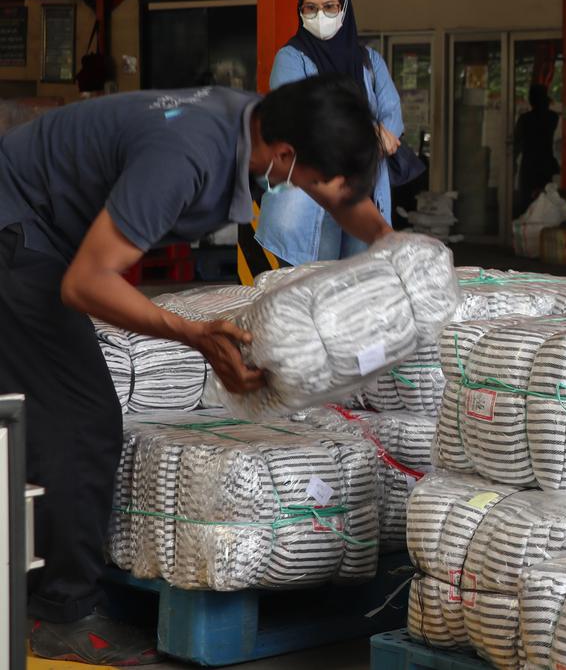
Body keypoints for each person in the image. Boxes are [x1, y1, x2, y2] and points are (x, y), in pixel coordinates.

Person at [0, 75, 385, 665]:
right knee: (82, 419)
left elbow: (341, 195)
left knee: (39, 407)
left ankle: (33, 578)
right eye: (311, 182)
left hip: (41, 223)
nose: (316, 197)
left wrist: (396, 253)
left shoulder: (254, 120)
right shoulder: (184, 159)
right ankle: (62, 613)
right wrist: (195, 335)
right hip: (18, 231)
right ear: (285, 155)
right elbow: (85, 284)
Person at [256, 0, 402, 266]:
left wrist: (381, 134)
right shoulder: (291, 58)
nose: (319, 15)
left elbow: (392, 116)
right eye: (310, 8)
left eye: (329, 7)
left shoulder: (369, 61)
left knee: (360, 279)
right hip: (312, 196)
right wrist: (367, 135)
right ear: (300, 11)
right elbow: (301, 116)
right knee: (316, 280)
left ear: (344, 8)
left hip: (362, 189)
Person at [513, 83, 560, 218]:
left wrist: (513, 161)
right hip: (545, 164)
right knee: (544, 203)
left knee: (528, 204)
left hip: (530, 166)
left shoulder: (525, 119)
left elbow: (516, 143)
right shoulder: (552, 118)